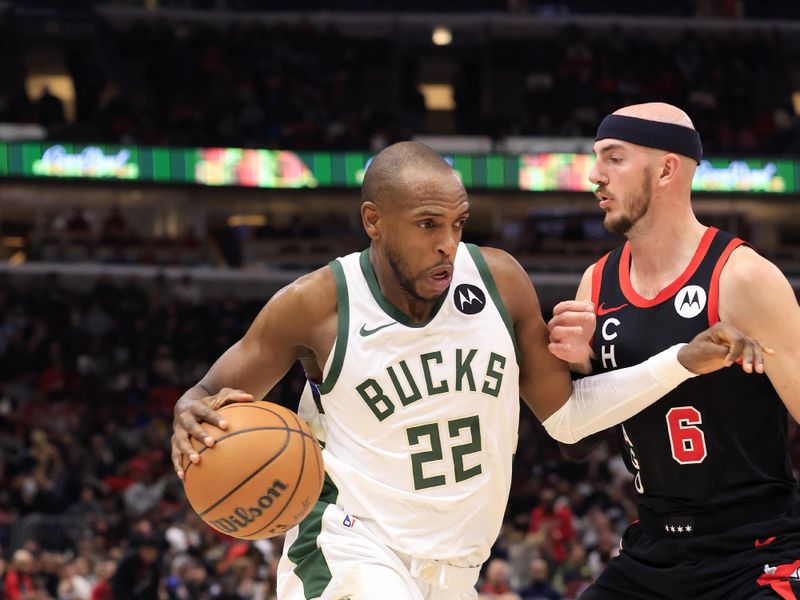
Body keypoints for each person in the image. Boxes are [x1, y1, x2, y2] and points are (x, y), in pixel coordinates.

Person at [171, 141, 768, 600]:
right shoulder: (316, 304)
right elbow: (207, 395)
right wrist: (186, 412)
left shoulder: (499, 281)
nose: (448, 245)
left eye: (458, 225)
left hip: (458, 568)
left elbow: (568, 422)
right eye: (428, 225)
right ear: (374, 221)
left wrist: (681, 363)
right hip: (350, 550)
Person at [548, 103, 800, 599]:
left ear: (666, 169)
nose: (595, 175)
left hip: (754, 549)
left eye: (613, 158)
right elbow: (573, 446)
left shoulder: (742, 276)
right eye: (596, 158)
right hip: (653, 550)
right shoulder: (595, 284)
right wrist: (577, 369)